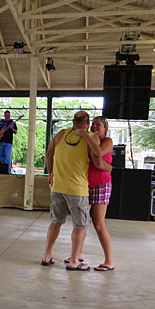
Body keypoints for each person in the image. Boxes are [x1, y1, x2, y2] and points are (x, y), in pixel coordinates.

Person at [41, 111, 102, 271]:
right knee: (80, 225)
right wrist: (85, 135)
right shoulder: (91, 137)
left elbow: (49, 154)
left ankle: (47, 256)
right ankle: (75, 261)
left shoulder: (61, 133)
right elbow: (97, 152)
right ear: (87, 123)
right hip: (77, 188)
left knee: (56, 221)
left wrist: (51, 172)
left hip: (58, 186)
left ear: (73, 121)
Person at [74, 116, 115, 271]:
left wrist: (106, 167)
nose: (95, 126)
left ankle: (109, 261)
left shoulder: (107, 141)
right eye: (93, 124)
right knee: (81, 222)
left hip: (101, 184)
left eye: (99, 124)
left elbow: (98, 155)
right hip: (84, 184)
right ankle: (77, 254)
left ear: (105, 128)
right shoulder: (89, 139)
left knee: (98, 223)